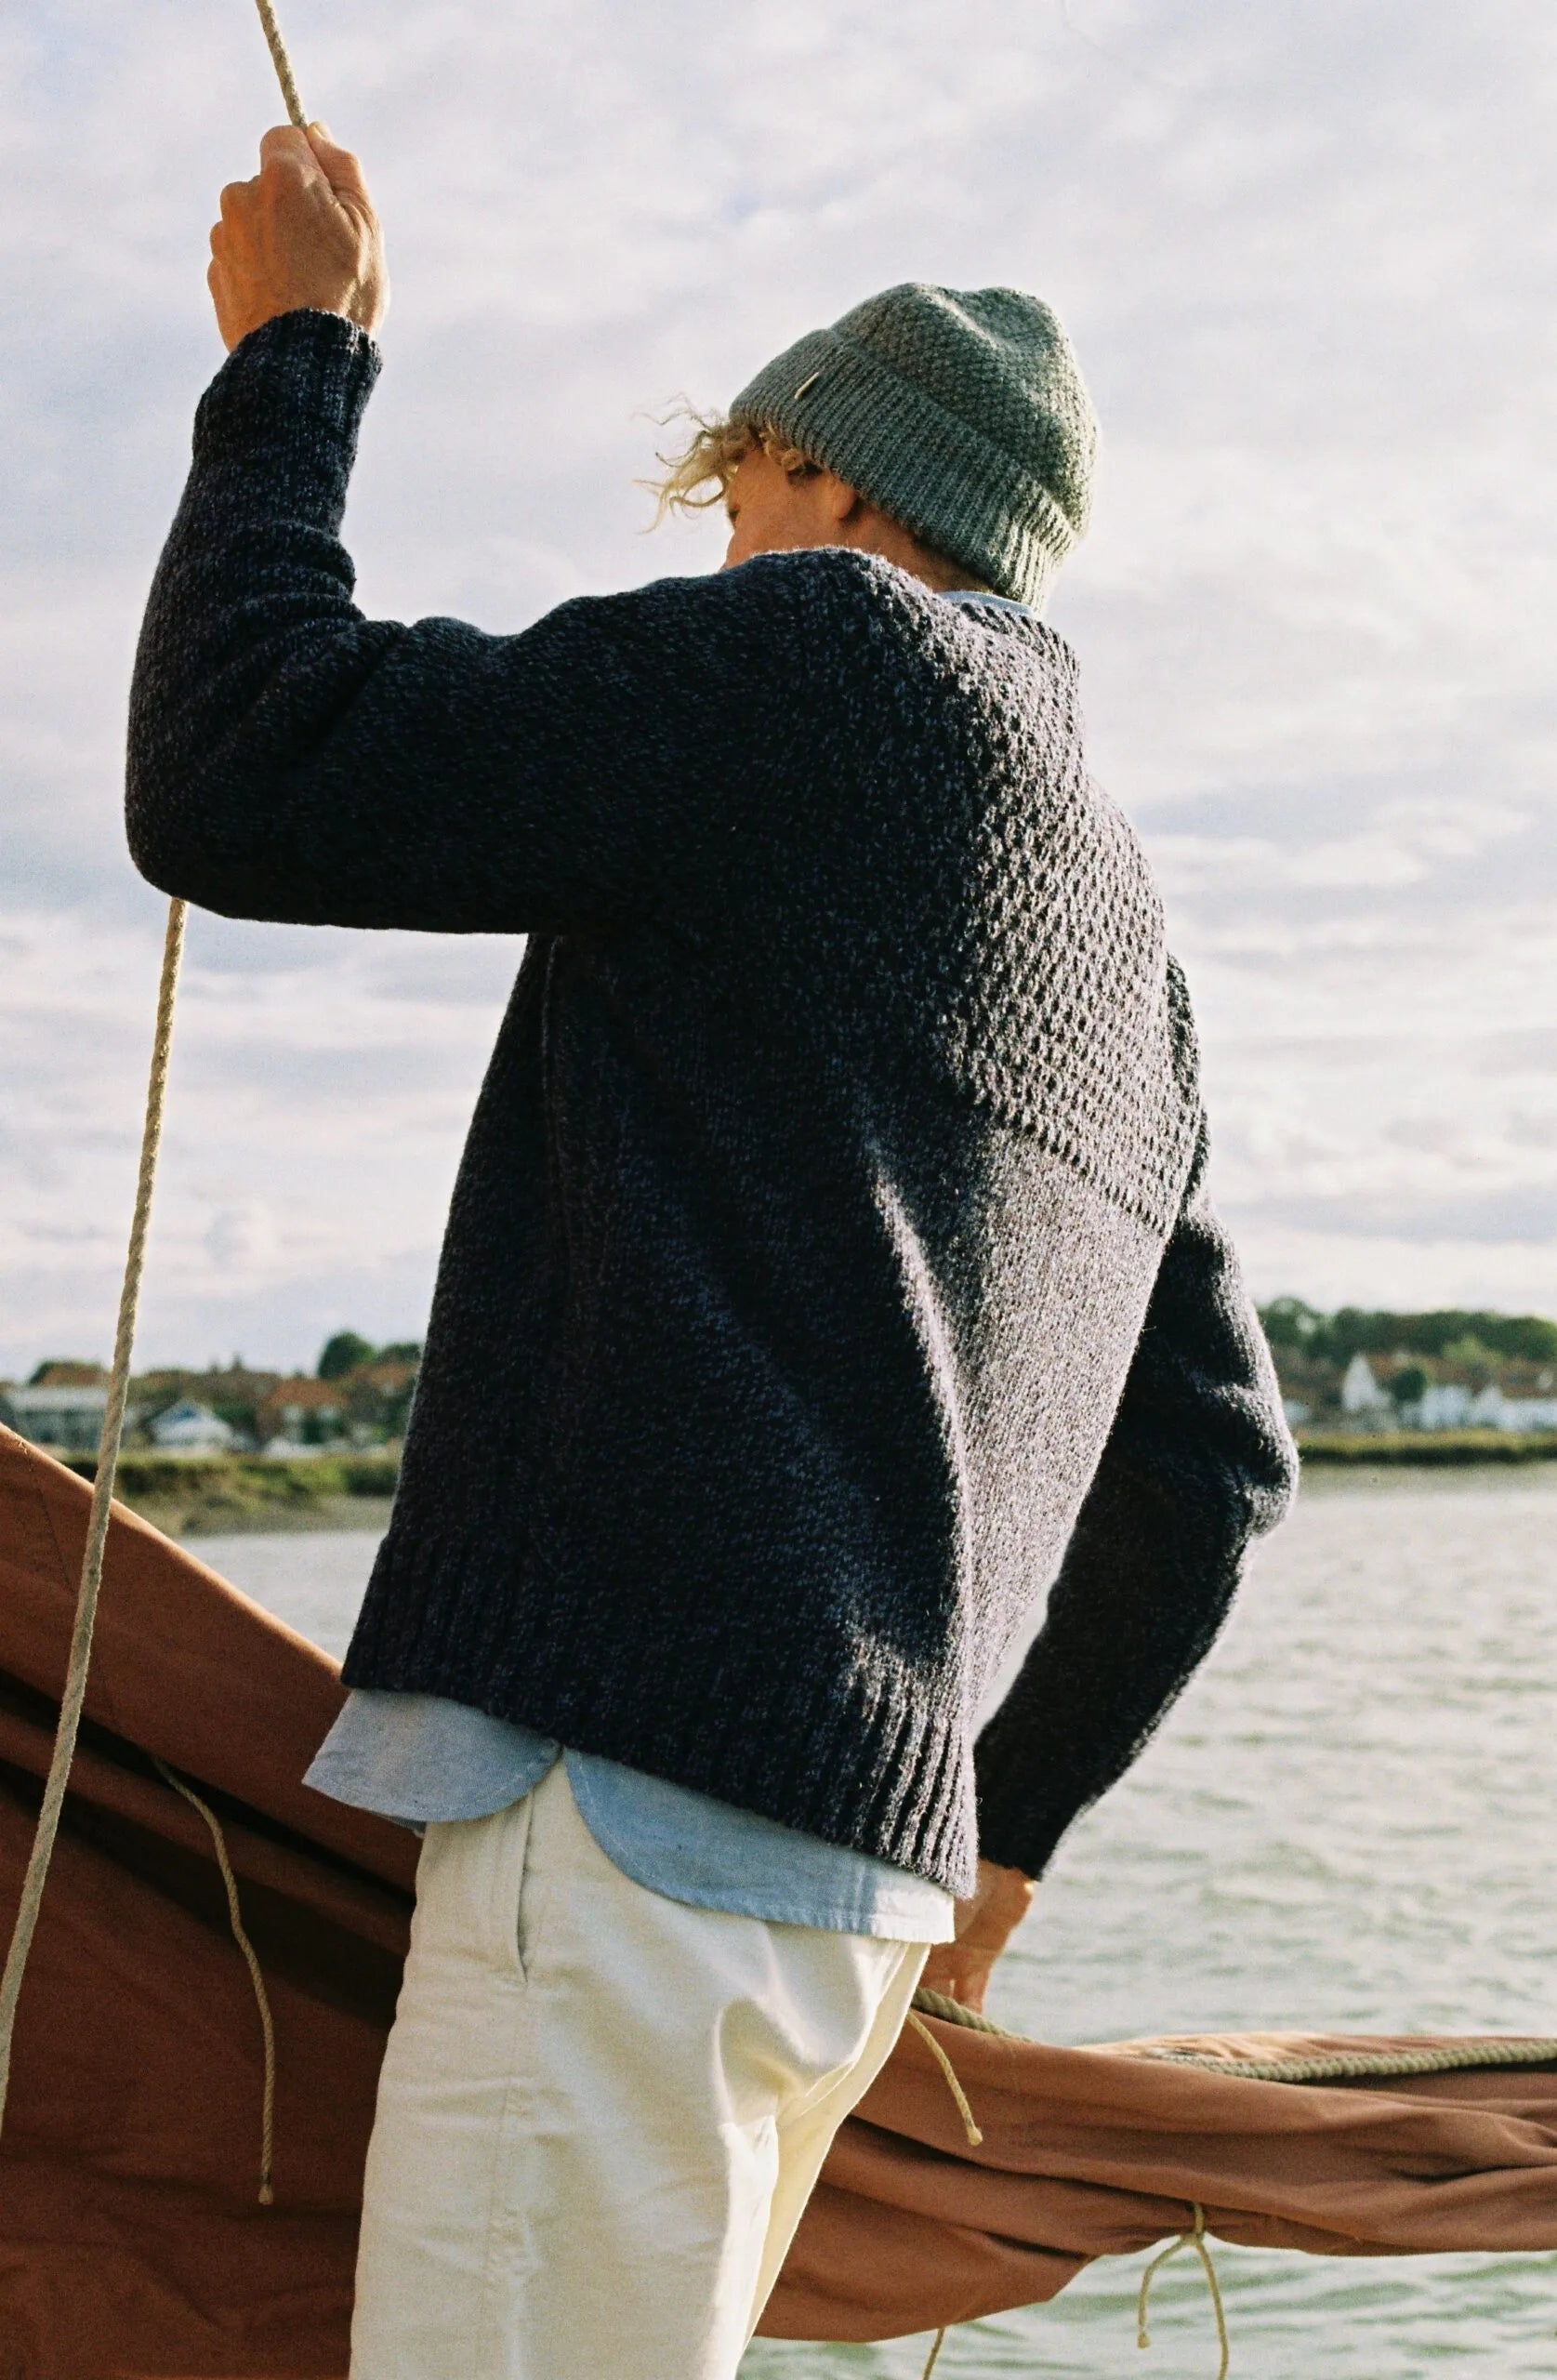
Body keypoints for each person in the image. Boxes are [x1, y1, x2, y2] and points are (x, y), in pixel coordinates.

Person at [127, 123, 1296, 2380]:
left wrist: (294, 356)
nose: (726, 551)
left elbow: (242, 759)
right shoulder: (1125, 938)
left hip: (633, 1842)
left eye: (741, 495)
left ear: (836, 487)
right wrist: (1000, 1839)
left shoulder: (820, 660)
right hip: (845, 1901)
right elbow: (1216, 1466)